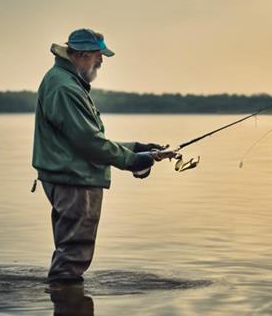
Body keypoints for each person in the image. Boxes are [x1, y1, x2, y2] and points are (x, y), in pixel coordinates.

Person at [31, 28, 174, 283]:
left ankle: (66, 308)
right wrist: (133, 161)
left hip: (70, 175)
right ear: (83, 54)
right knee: (73, 256)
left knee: (71, 252)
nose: (101, 61)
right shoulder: (65, 87)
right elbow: (90, 143)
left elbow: (82, 140)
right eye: (99, 55)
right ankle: (68, 312)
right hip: (74, 180)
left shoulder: (65, 81)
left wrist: (139, 148)